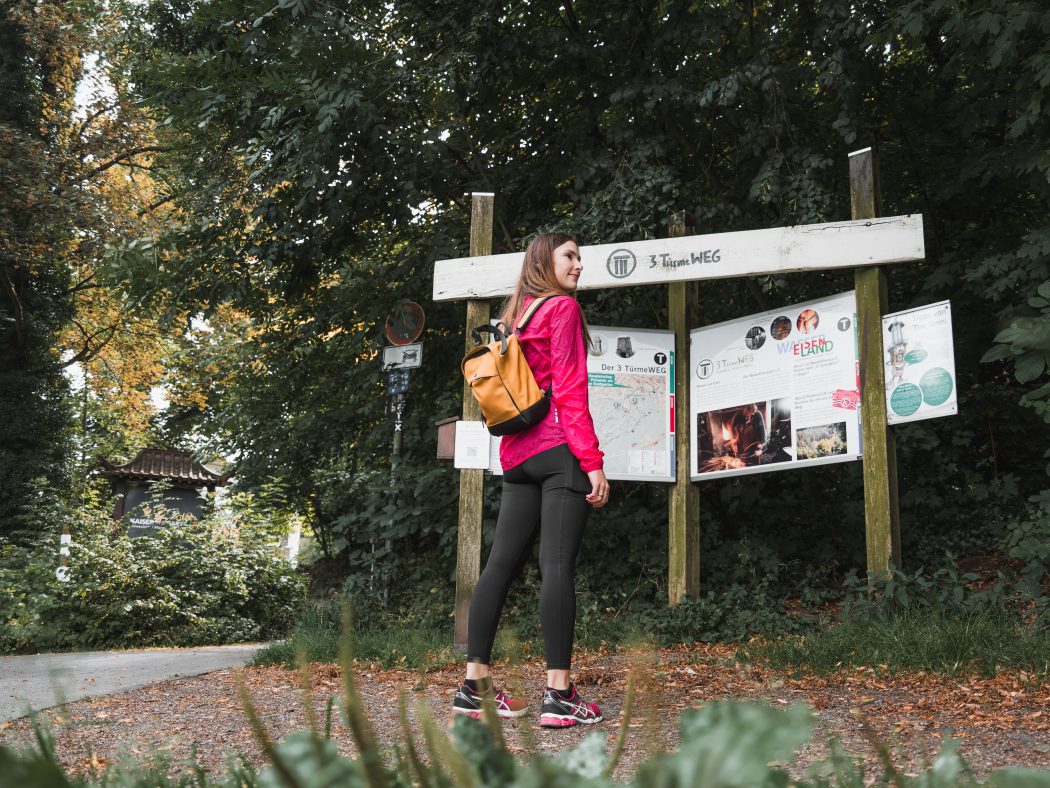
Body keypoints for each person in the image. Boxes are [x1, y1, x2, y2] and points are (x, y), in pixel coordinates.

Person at [452, 231, 610, 728]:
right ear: (546, 259)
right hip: (559, 453)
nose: (579, 265)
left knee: (499, 566)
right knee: (557, 565)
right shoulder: (561, 309)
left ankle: (474, 686)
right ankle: (559, 694)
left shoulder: (514, 316)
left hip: (516, 456)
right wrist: (592, 461)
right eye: (570, 256)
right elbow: (569, 388)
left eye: (580, 258)